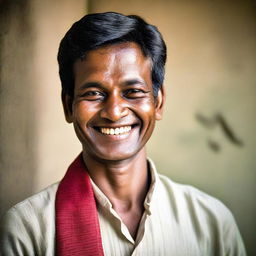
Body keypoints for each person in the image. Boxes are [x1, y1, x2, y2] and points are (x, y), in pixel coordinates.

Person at [0, 12, 246, 256]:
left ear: (158, 103)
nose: (114, 112)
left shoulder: (212, 223)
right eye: (93, 93)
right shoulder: (27, 230)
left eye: (133, 91)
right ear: (68, 106)